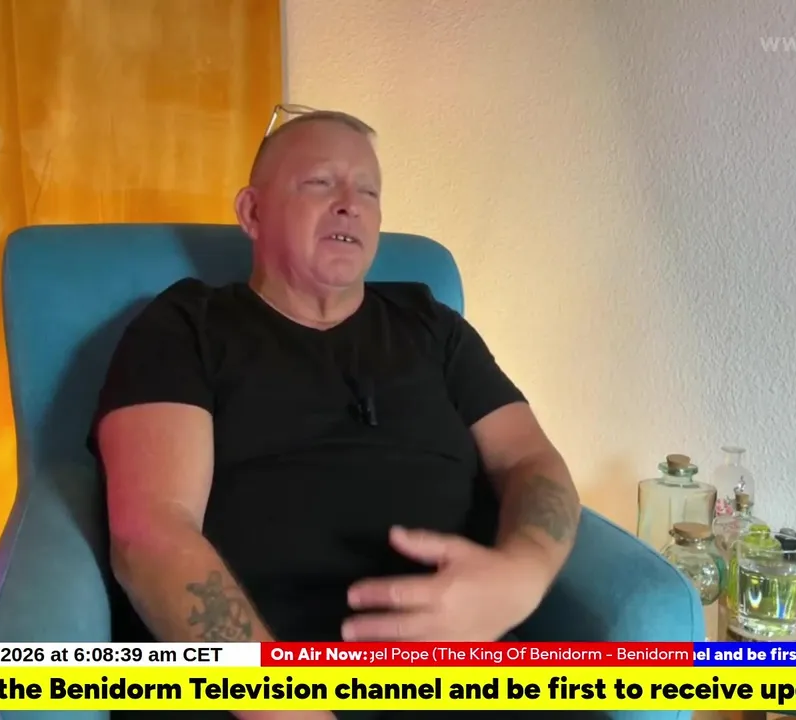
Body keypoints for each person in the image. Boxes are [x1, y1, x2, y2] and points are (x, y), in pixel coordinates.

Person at [92, 109, 582, 719]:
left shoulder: (433, 328)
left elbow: (529, 458)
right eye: (321, 182)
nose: (351, 205)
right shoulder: (184, 328)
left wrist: (522, 574)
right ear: (252, 212)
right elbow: (151, 533)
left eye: (368, 191)